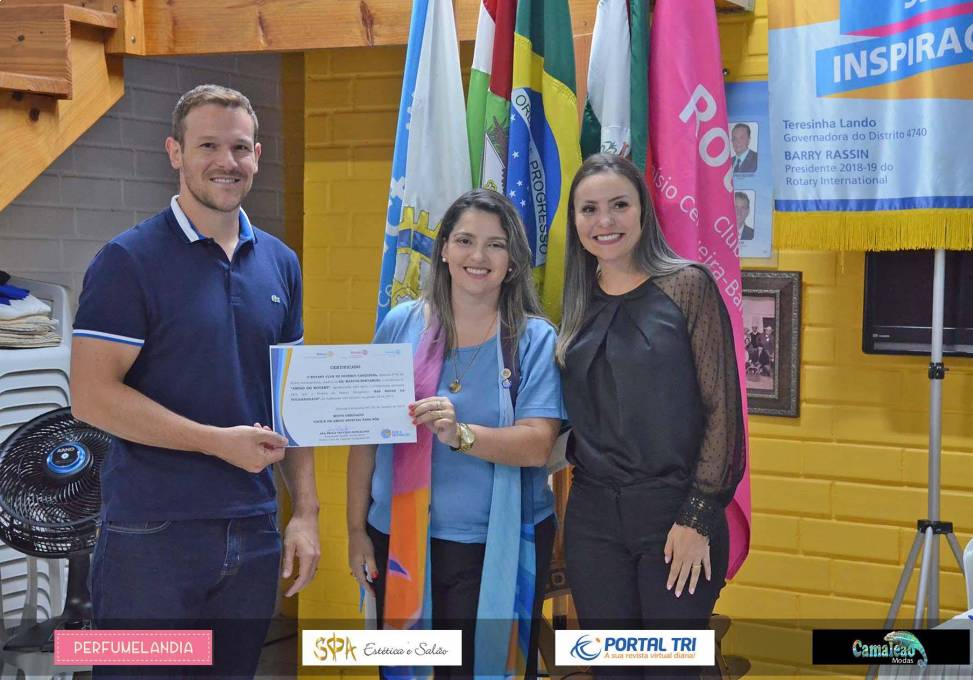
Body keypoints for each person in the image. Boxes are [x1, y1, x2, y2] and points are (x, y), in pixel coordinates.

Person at [70, 85, 320, 678]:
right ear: (175, 152)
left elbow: (292, 398)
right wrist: (215, 442)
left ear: (257, 155)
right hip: (150, 535)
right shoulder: (127, 260)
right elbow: (91, 398)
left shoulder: (281, 263)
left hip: (253, 530)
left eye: (240, 147)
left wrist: (305, 514)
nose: (226, 162)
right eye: (208, 145)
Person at [347, 189, 564, 679]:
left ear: (512, 261)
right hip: (398, 542)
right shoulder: (401, 324)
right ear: (443, 248)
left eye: (495, 244)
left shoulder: (534, 339)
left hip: (492, 549)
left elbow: (537, 445)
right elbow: (366, 437)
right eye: (465, 240)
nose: (477, 256)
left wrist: (461, 434)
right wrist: (355, 531)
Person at [557, 154, 745, 678]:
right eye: (589, 209)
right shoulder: (573, 300)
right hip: (593, 519)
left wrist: (696, 517)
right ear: (574, 221)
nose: (605, 221)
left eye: (619, 205)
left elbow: (723, 413)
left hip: (675, 514)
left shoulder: (688, 286)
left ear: (643, 210)